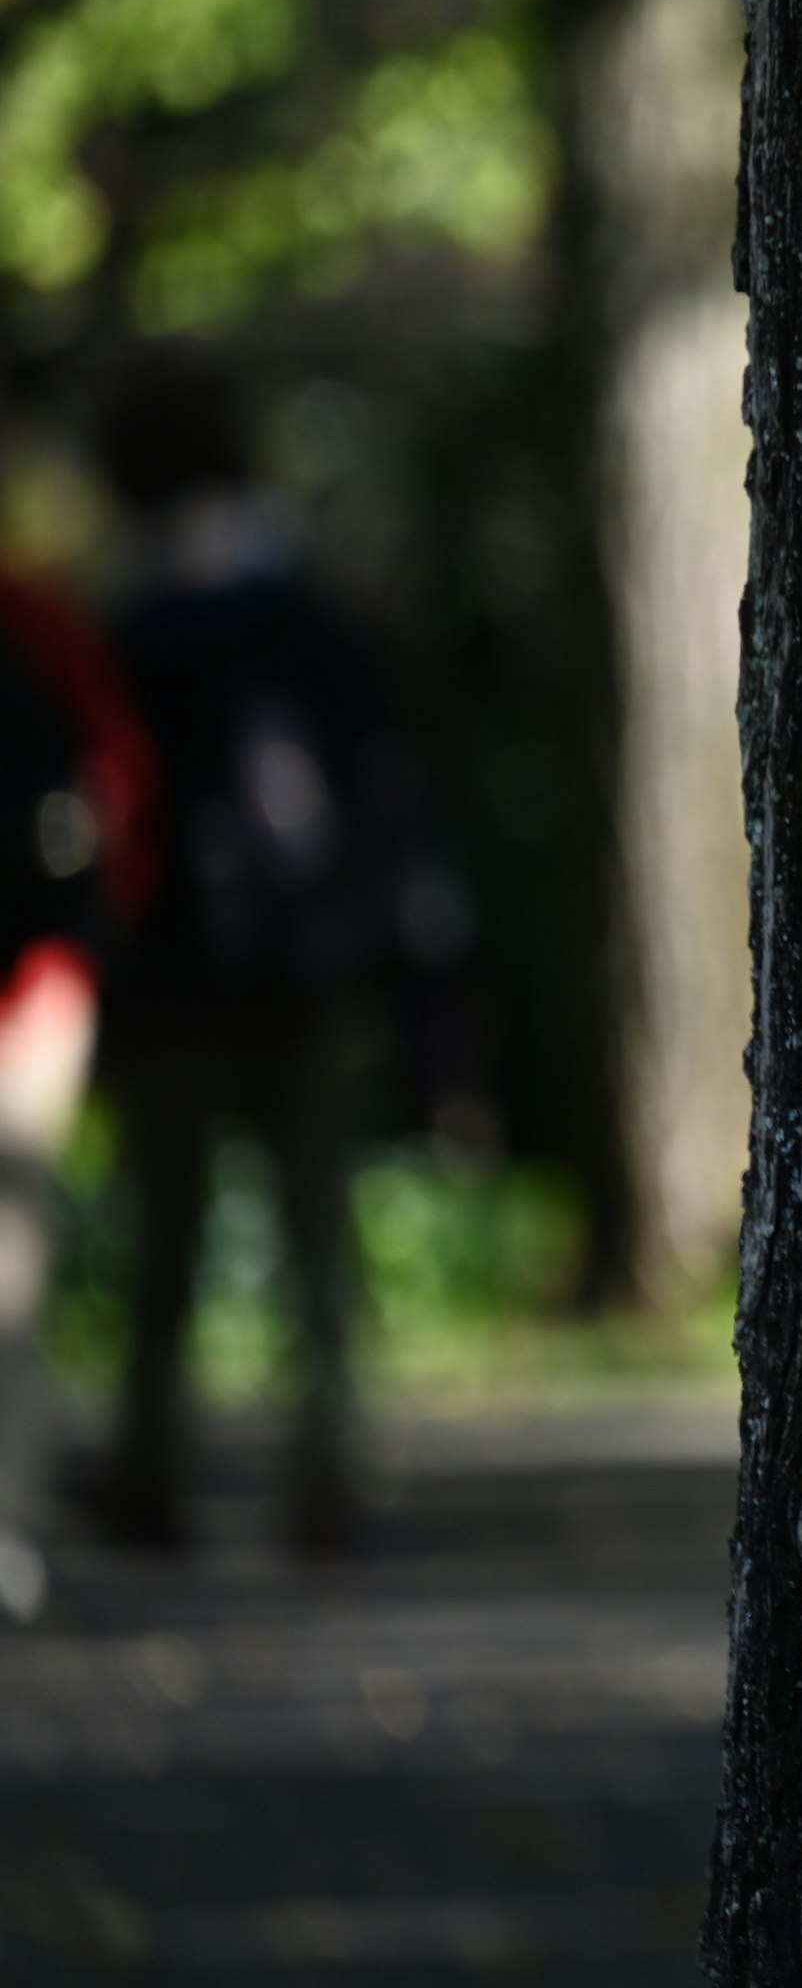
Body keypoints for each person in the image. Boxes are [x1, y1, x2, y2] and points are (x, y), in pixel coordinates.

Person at [82, 352, 419, 1556]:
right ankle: (329, 1471)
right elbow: (381, 776)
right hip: (306, 960)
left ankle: (147, 1468)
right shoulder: (303, 604)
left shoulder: (124, 623)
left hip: (171, 973)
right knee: (316, 1247)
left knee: (161, 1249)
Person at [0, 539, 155, 1619]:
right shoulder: (35, 610)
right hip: (45, 981)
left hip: (37, 979)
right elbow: (120, 788)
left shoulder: (32, 613)